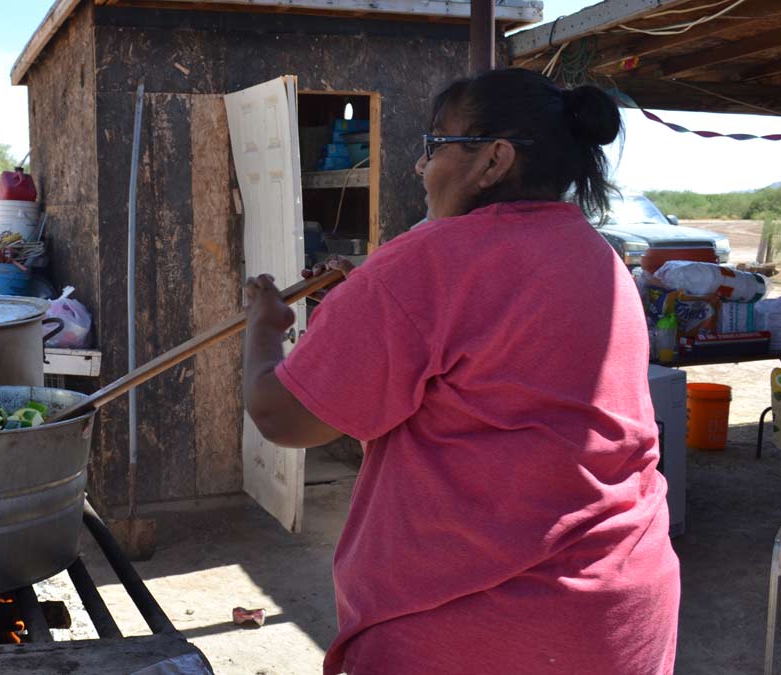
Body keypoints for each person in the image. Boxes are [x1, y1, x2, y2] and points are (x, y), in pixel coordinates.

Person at [243, 68, 679, 674]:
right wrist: (367, 292)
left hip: (478, 626)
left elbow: (282, 417)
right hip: (620, 610)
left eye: (434, 146)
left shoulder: (425, 266)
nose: (420, 168)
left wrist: (264, 332)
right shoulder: (594, 253)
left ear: (493, 160)